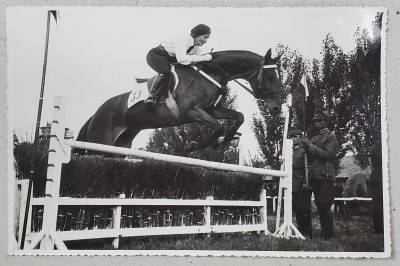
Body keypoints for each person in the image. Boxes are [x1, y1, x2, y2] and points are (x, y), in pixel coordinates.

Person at [144, 24, 213, 108]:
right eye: (205, 37)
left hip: (171, 59)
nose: (206, 41)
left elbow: (194, 63)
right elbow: (182, 59)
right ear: (197, 35)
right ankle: (152, 95)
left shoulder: (197, 48)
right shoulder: (182, 38)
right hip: (157, 55)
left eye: (207, 38)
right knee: (166, 72)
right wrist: (202, 58)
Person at [301, 109, 338, 241]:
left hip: (325, 175)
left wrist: (310, 145)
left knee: (325, 205)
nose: (317, 124)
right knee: (319, 204)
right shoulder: (315, 138)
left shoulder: (331, 137)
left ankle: (330, 235)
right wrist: (305, 145)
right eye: (315, 121)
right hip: (314, 175)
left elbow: (328, 154)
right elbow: (311, 156)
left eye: (320, 121)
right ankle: (325, 233)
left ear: (326, 122)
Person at [288, 128, 312, 239]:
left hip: (302, 182)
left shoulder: (304, 151)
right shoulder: (289, 151)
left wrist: (305, 182)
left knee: (304, 208)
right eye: (292, 137)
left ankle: (307, 230)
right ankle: (300, 229)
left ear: (300, 138)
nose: (293, 139)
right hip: (292, 183)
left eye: (296, 137)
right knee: (296, 208)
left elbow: (307, 168)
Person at [368, 136, 384, 234]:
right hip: (379, 176)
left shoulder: (375, 147)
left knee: (378, 204)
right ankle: (379, 229)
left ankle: (379, 228)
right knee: (378, 204)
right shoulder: (377, 148)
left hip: (376, 176)